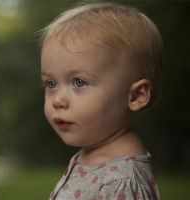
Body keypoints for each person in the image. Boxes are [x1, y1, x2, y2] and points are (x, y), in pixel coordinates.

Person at [40, 1, 164, 200]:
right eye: (51, 84)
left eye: (79, 82)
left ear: (136, 96)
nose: (58, 100)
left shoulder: (121, 183)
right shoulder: (93, 155)